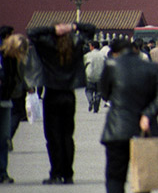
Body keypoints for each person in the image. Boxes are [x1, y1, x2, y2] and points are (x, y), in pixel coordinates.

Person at [98, 36, 158, 193]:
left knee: (115, 178)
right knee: (143, 180)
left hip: (117, 129)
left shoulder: (111, 65)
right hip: (144, 130)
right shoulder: (151, 68)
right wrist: (148, 113)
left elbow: (104, 93)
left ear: (116, 52)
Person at [27, 21, 97, 184]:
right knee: (67, 135)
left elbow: (32, 32)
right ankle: (68, 173)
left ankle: (56, 172)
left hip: (52, 93)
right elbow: (91, 29)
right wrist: (73, 26)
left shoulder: (48, 46)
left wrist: (53, 29)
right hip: (68, 94)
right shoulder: (75, 45)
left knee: (53, 136)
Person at [1, 32, 28, 183]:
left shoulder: (11, 59)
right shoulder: (12, 59)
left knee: (4, 137)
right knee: (4, 136)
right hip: (10, 95)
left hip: (7, 96)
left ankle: (3, 171)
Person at [83, 40, 107, 113]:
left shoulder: (87, 55)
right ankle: (96, 107)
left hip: (90, 76)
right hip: (100, 76)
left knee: (89, 90)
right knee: (99, 92)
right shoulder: (103, 55)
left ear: (92, 47)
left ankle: (91, 100)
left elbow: (83, 65)